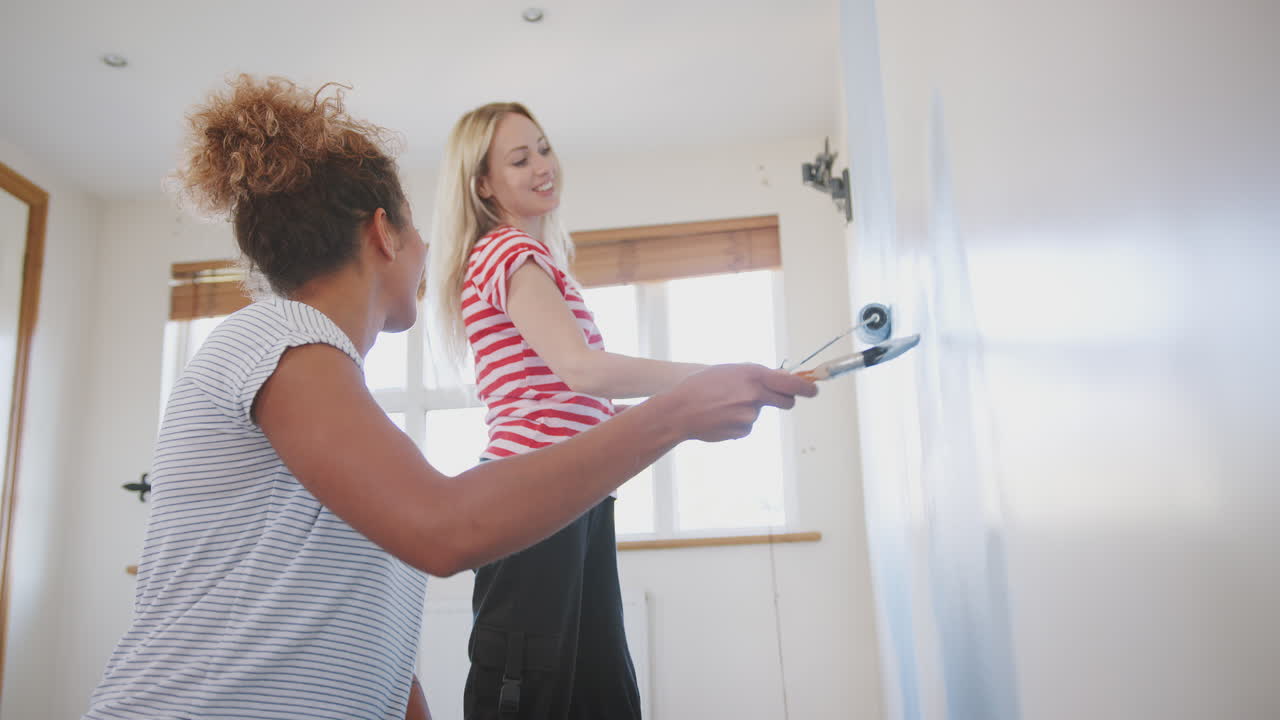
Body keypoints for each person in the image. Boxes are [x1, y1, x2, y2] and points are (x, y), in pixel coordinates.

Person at [81, 77, 816, 720]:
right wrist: (681, 410)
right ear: (383, 234)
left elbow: (364, 636)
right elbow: (443, 530)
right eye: (416, 229)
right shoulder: (277, 339)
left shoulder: (335, 404)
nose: (432, 252)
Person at [428, 102, 770, 719]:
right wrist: (706, 380)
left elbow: (581, 395)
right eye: (519, 157)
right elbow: (581, 370)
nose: (542, 165)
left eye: (544, 147)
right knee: (530, 693)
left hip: (573, 496)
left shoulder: (535, 260)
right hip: (533, 492)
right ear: (483, 184)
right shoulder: (507, 253)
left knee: (600, 694)